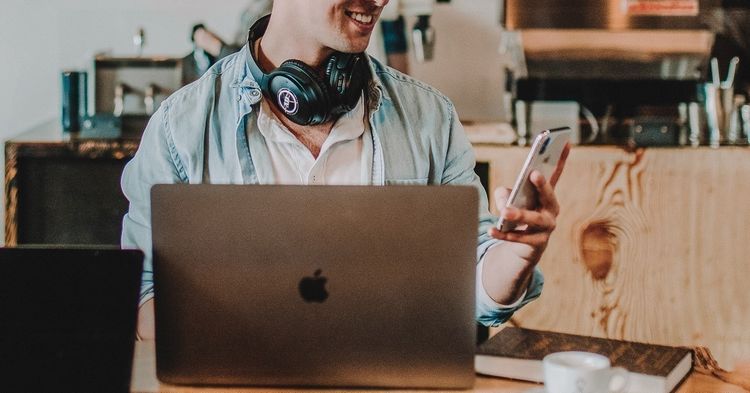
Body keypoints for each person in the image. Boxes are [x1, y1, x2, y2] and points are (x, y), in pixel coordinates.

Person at [121, 0, 570, 340]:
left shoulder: (431, 119)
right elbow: (142, 296)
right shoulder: (181, 128)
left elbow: (470, 289)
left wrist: (516, 256)